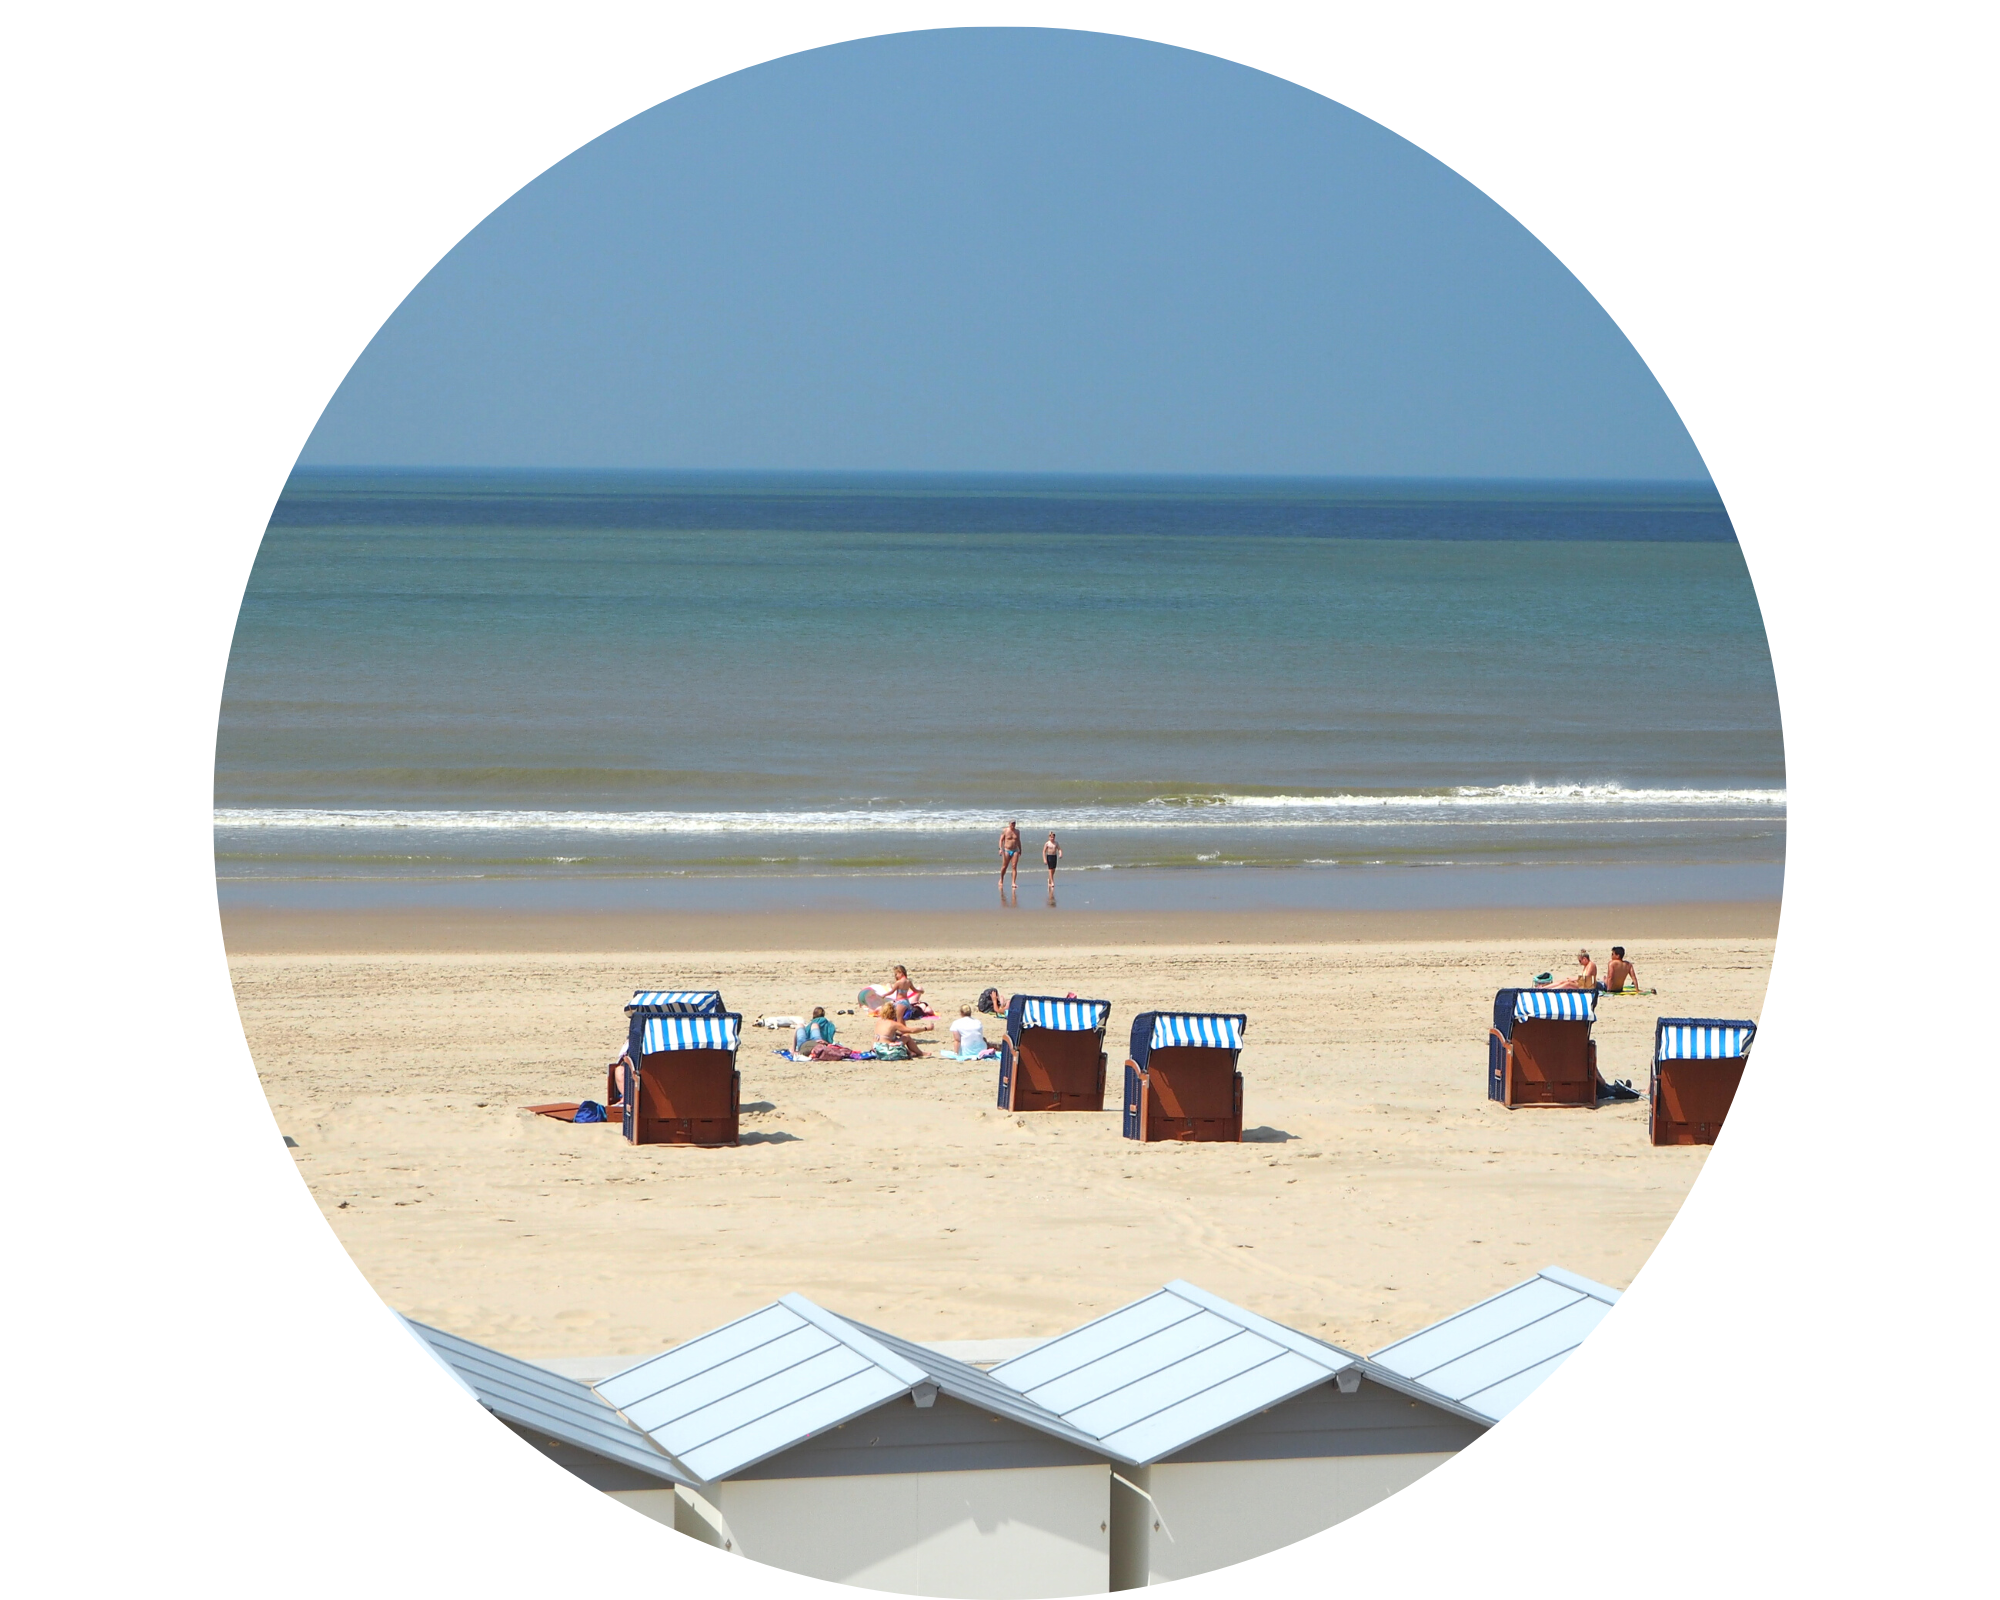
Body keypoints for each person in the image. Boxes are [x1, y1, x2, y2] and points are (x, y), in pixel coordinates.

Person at [998, 820, 1023, 890]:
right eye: (1012, 823)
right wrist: (1000, 849)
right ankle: (1001, 879)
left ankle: (1013, 882)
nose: (1013, 825)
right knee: (1004, 866)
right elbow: (1001, 840)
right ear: (1009, 824)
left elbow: (1018, 840)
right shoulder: (1005, 830)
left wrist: (1020, 849)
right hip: (1007, 850)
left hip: (1015, 850)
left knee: (1014, 866)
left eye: (1014, 823)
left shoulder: (1017, 831)